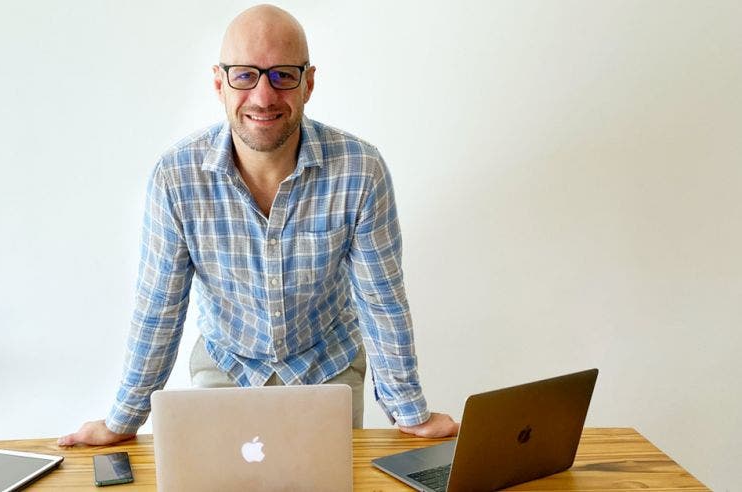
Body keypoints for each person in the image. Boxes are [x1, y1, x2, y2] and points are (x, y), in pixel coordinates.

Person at [58, 4, 459, 448]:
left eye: (282, 75)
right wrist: (124, 420)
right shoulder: (176, 177)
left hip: (328, 368)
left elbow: (381, 301)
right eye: (245, 75)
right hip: (225, 367)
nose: (264, 97)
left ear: (308, 83)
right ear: (219, 83)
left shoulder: (361, 170)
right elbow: (159, 308)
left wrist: (409, 410)